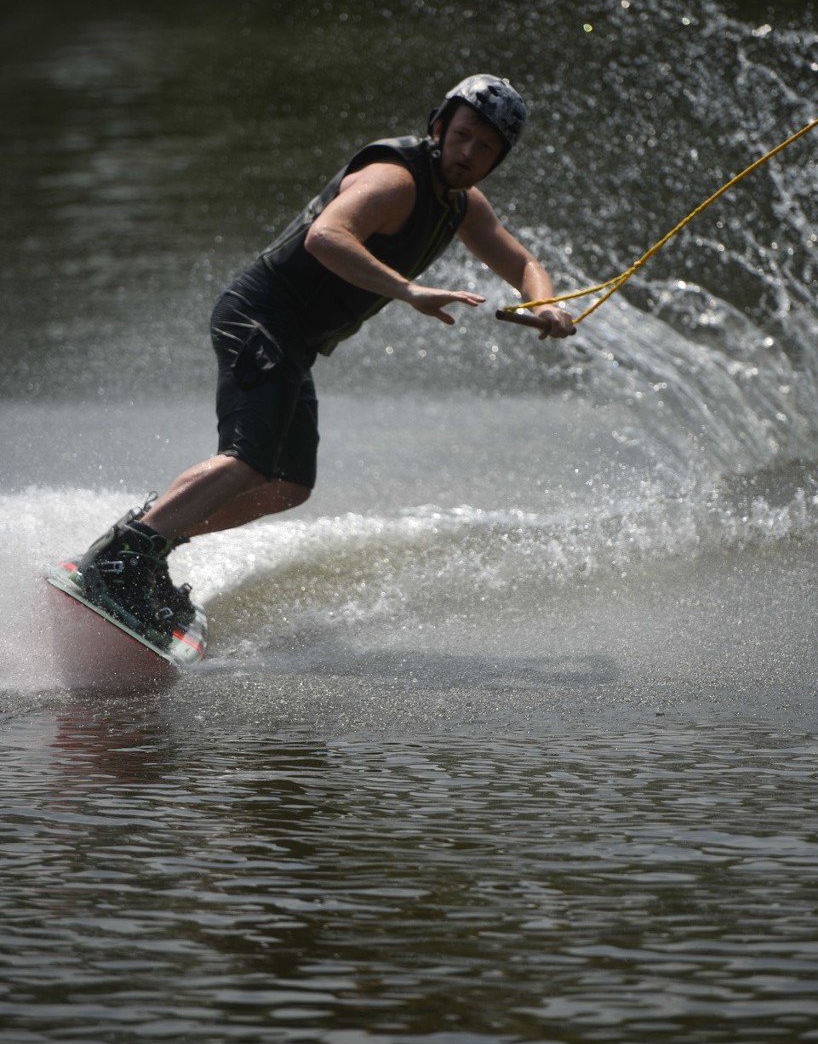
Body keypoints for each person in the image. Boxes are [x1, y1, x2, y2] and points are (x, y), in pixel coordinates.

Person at [77, 74, 575, 643]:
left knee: (287, 484)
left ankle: (152, 537)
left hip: (294, 342)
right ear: (439, 127)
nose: (469, 154)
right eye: (462, 136)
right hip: (260, 316)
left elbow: (523, 263)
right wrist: (408, 290)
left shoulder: (462, 206)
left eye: (486, 148)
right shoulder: (394, 180)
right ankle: (121, 561)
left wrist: (545, 305)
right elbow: (326, 236)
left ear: (498, 159)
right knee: (247, 461)